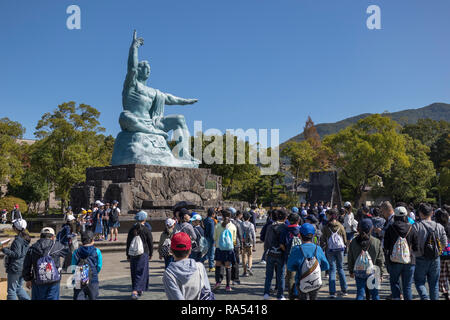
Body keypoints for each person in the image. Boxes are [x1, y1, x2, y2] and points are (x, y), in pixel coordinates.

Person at [163, 232, 213, 300]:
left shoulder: (168, 274)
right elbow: (207, 292)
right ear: (190, 250)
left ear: (171, 251)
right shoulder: (199, 267)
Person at [22, 227, 68, 300]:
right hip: (54, 280)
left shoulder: (33, 248)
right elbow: (68, 253)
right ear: (52, 237)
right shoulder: (57, 246)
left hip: (37, 279)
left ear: (41, 236)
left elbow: (27, 265)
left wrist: (28, 279)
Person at [413, 203, 448, 300]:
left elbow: (412, 244)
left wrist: (416, 253)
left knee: (419, 282)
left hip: (420, 258)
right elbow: (445, 243)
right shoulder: (439, 226)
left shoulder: (416, 226)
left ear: (420, 213)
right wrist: (438, 251)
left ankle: (425, 297)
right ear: (432, 213)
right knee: (434, 284)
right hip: (435, 258)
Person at [383, 206, 418, 300]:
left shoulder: (390, 228)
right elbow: (416, 246)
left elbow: (385, 246)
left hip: (394, 260)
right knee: (407, 287)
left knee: (394, 283)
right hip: (409, 260)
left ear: (395, 215)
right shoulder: (411, 228)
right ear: (405, 215)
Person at [287, 223, 329, 300]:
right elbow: (326, 265)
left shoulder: (296, 249)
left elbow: (290, 266)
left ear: (300, 235)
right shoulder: (318, 248)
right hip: (315, 280)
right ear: (313, 235)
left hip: (301, 280)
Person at [347, 219, 384, 300]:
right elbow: (380, 259)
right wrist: (381, 273)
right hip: (373, 271)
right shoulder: (376, 242)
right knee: (375, 294)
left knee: (360, 293)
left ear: (359, 228)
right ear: (371, 228)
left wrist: (351, 270)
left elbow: (350, 258)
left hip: (359, 271)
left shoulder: (353, 242)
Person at [320, 208, 348, 298]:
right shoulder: (341, 226)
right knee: (340, 269)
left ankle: (332, 292)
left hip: (330, 249)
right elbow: (344, 239)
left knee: (332, 269)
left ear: (330, 216)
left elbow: (323, 240)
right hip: (340, 249)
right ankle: (344, 290)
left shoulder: (326, 227)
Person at [126, 210, 153, 300]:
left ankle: (139, 288)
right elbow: (150, 243)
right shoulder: (146, 229)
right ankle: (135, 290)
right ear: (144, 219)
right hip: (143, 253)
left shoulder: (132, 229)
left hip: (133, 253)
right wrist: (151, 253)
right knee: (142, 272)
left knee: (134, 272)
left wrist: (128, 254)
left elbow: (128, 242)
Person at [1, 219, 31, 300]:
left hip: (15, 267)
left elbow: (16, 254)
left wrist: (3, 249)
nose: (12, 228)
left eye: (13, 226)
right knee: (18, 288)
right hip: (23, 266)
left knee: (11, 290)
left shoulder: (18, 240)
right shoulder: (26, 238)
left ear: (16, 228)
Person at [263, 209, 288, 300]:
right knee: (281, 275)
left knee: (269, 275)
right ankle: (280, 295)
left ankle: (266, 293)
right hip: (281, 253)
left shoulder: (270, 226)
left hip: (271, 252)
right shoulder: (285, 227)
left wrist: (266, 250)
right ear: (285, 218)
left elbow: (266, 240)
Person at [71, 231, 103, 300]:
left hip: (79, 278)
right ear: (92, 240)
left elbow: (73, 268)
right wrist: (94, 273)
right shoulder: (97, 251)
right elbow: (99, 266)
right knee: (93, 297)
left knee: (79, 296)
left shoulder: (76, 252)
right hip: (93, 278)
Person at [213, 209, 237, 292]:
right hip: (229, 249)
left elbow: (214, 237)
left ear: (222, 217)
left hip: (219, 248)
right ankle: (227, 286)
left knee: (218, 265)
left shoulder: (218, 226)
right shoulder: (233, 226)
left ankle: (218, 282)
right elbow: (234, 240)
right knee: (228, 266)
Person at [279, 212, 301, 300]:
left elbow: (281, 244)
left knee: (291, 276)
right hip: (300, 255)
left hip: (289, 255)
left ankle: (291, 294)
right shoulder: (301, 229)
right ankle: (300, 292)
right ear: (298, 220)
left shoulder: (285, 230)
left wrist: (287, 251)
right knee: (301, 275)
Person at [435, 208, 450, 300]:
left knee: (442, 275)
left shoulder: (437, 228)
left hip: (441, 255)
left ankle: (446, 293)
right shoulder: (449, 226)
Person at [229, 207, 243, 285]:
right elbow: (240, 235)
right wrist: (241, 246)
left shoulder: (224, 223)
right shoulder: (236, 223)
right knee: (236, 262)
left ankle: (229, 278)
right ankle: (236, 279)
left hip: (227, 244)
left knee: (228, 262)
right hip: (235, 244)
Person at [241, 211, 256, 277]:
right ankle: (249, 268)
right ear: (249, 218)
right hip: (250, 242)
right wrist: (254, 244)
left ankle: (244, 272)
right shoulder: (251, 225)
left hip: (243, 242)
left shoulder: (240, 224)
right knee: (250, 255)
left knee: (244, 256)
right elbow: (254, 235)